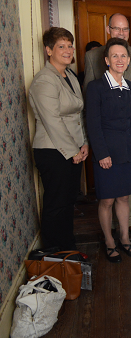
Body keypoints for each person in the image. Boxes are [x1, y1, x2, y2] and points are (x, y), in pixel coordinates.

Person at [84, 13, 131, 238]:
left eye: (125, 29)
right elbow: (91, 116)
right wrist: (98, 149)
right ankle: (110, 240)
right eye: (116, 28)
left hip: (129, 143)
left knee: (128, 193)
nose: (121, 33)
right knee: (108, 197)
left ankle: (128, 229)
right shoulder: (93, 63)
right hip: (106, 144)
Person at [29, 27, 89, 250]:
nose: (67, 50)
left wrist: (83, 143)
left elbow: (77, 114)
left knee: (67, 203)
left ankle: (67, 250)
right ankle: (55, 255)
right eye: (61, 46)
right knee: (56, 205)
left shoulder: (69, 75)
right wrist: (72, 150)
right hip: (53, 152)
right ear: (48, 50)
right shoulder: (44, 81)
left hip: (72, 149)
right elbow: (52, 120)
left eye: (70, 45)